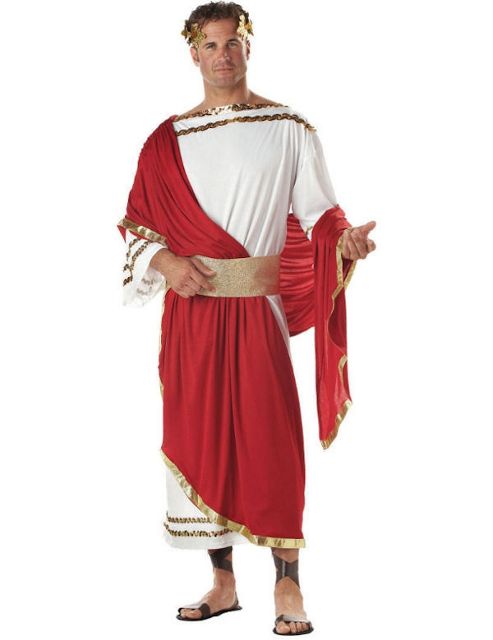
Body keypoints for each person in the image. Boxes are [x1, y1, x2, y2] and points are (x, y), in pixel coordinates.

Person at [117, 2, 376, 635]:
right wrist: (166, 261)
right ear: (193, 54)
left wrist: (344, 241)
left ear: (248, 47)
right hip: (192, 315)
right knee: (200, 437)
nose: (222, 55)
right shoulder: (166, 140)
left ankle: (288, 584)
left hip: (259, 312)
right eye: (210, 45)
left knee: (270, 439)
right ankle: (224, 583)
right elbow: (136, 227)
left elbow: (322, 215)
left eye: (232, 42)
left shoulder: (288, 128)